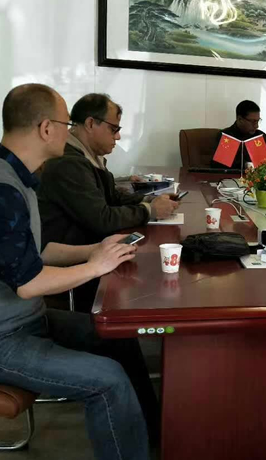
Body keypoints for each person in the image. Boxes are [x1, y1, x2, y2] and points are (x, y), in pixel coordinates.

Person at [0, 83, 170, 460]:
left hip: (22, 321)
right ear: (46, 128)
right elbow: (28, 282)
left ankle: (150, 435)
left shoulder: (16, 177)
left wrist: (97, 250)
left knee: (115, 335)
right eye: (65, 124)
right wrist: (95, 267)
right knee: (107, 379)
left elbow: (39, 251)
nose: (69, 131)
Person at [38, 93, 177, 310]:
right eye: (114, 129)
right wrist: (149, 210)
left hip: (93, 249)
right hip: (73, 262)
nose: (118, 137)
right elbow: (102, 219)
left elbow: (111, 196)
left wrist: (148, 200)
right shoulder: (69, 163)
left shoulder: (88, 156)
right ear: (90, 124)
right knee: (150, 282)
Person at [210, 100, 266, 171]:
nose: (256, 126)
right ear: (240, 119)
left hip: (258, 183)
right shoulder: (226, 136)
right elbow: (219, 166)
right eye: (253, 121)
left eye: (258, 121)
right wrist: (247, 164)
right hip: (232, 181)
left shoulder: (260, 136)